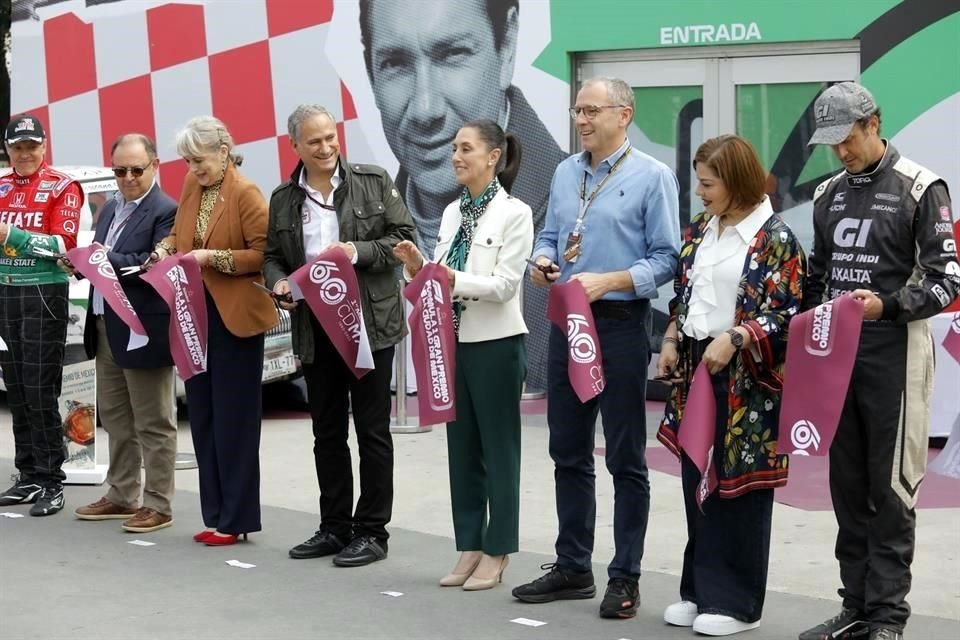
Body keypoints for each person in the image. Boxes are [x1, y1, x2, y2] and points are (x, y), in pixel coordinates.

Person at [512, 77, 681, 619]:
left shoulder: (653, 178)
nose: (581, 119)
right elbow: (551, 235)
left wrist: (608, 281)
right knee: (568, 448)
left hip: (619, 325)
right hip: (566, 323)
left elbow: (666, 260)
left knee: (627, 456)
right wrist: (540, 263)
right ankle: (572, 565)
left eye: (591, 110)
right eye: (577, 109)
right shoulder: (564, 172)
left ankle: (625, 576)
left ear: (624, 114)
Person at [798, 82, 959, 640]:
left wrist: (886, 306)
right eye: (831, 144)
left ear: (874, 122)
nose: (841, 152)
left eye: (847, 139)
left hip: (898, 355)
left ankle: (889, 616)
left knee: (890, 490)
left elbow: (947, 281)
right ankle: (856, 605)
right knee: (846, 487)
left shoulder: (921, 186)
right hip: (836, 362)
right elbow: (816, 279)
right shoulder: (826, 195)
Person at [358, 0, 567, 392]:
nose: (425, 109)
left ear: (507, 49)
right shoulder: (377, 222)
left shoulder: (561, 204)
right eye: (396, 63)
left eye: (452, 55)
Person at [656, 135, 805, 636]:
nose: (700, 192)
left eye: (707, 183)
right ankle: (698, 591)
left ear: (736, 182)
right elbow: (685, 290)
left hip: (748, 380)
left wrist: (738, 336)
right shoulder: (703, 228)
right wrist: (674, 336)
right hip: (698, 368)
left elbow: (789, 311)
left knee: (738, 488)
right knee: (697, 479)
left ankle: (739, 604)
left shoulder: (775, 238)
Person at [263, 105, 415, 567]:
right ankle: (334, 527)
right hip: (314, 328)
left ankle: (372, 532)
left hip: (369, 326)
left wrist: (357, 250)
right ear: (295, 147)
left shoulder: (371, 180)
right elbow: (272, 256)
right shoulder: (284, 198)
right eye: (315, 142)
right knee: (326, 431)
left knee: (371, 431)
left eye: (331, 138)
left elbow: (403, 239)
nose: (327, 148)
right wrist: (279, 284)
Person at [393, 120, 532, 590]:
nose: (456, 156)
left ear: (493, 156)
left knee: (499, 449)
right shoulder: (452, 212)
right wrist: (419, 267)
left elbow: (506, 285)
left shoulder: (515, 213)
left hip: (495, 344)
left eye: (466, 149)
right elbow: (438, 276)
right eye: (455, 148)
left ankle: (498, 549)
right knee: (462, 449)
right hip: (451, 342)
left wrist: (452, 280)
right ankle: (469, 543)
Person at [151, 116, 278, 546]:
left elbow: (262, 255)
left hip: (235, 319)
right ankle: (216, 513)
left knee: (234, 421)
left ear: (224, 151)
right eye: (187, 161)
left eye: (199, 159)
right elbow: (178, 233)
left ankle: (237, 517)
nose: (193, 168)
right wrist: (166, 249)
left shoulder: (245, 192)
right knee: (203, 416)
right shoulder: (192, 187)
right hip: (195, 314)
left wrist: (212, 258)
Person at [70, 134, 178, 533]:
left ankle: (159, 504)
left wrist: (97, 259)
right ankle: (121, 494)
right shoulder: (111, 205)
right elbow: (103, 259)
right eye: (120, 170)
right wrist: (81, 265)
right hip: (104, 323)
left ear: (155, 165)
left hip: (142, 326)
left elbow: (147, 265)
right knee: (116, 418)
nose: (128, 177)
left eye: (137, 169)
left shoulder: (167, 210)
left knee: (153, 420)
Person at [0, 114, 83, 516]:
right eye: (18, 147)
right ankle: (28, 473)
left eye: (32, 146)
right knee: (14, 388)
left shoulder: (63, 186)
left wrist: (11, 236)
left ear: (44, 146)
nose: (25, 153)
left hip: (44, 293)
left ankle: (52, 479)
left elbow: (63, 246)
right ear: (7, 149)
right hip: (4, 293)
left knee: (39, 388)